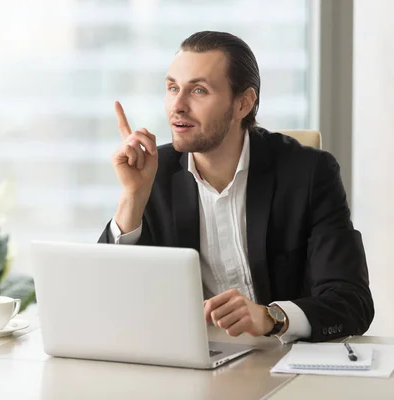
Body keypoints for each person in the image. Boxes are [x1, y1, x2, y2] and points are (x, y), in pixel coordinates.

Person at [98, 31, 374, 343]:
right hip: (191, 360)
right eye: (173, 88)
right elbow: (107, 301)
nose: (177, 106)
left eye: (198, 91)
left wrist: (272, 317)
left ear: (243, 103)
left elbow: (353, 304)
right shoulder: (153, 173)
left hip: (283, 363)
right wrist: (132, 196)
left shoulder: (308, 173)